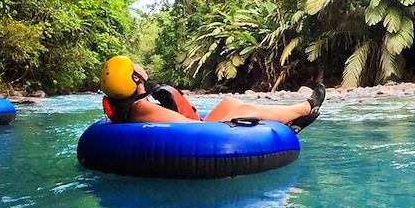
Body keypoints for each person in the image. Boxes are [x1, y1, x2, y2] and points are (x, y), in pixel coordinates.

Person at [99, 56, 325, 133]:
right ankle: (303, 109)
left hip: (192, 128)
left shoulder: (130, 106)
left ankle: (291, 121)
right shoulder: (144, 108)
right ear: (135, 80)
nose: (138, 65)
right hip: (197, 134)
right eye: (134, 66)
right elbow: (191, 128)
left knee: (229, 101)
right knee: (244, 110)